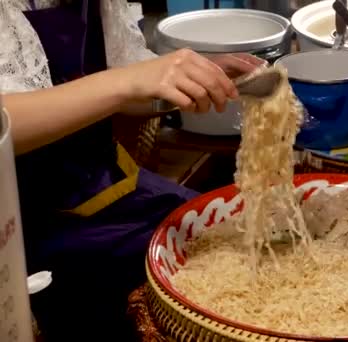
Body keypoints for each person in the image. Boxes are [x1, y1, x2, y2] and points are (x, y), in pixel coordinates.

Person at [0, 0, 265, 340]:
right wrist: (126, 82)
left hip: (104, 188)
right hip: (27, 227)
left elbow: (124, 89)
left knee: (234, 239)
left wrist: (186, 81)